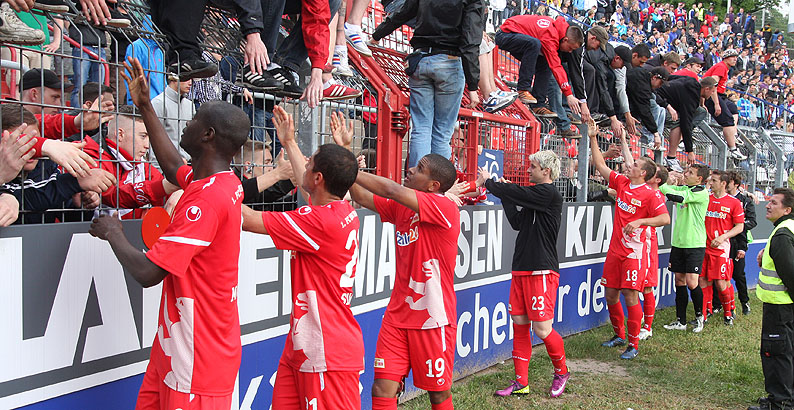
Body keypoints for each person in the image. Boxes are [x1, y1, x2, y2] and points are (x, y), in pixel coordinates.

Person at [89, 57, 250, 409]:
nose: (186, 122)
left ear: (208, 135)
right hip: (176, 349)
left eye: (194, 119)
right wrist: (145, 105)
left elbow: (149, 273)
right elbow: (173, 165)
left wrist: (113, 231)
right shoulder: (216, 180)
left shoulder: (206, 200)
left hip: (197, 359)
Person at [241, 107, 364, 409]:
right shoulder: (339, 209)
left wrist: (211, 185)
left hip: (326, 350)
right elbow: (310, 187)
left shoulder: (318, 221)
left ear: (319, 177)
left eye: (309, 163)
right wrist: (289, 142)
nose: (304, 165)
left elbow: (249, 220)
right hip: (306, 342)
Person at [335, 115, 460, 408]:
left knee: (438, 393)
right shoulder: (403, 208)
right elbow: (362, 197)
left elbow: (390, 189)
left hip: (432, 318)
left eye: (419, 169)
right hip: (397, 316)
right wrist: (345, 152)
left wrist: (347, 167)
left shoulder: (444, 208)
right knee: (381, 388)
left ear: (433, 185)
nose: (410, 169)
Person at [477, 150, 570, 397]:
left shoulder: (548, 193)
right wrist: (505, 194)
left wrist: (490, 183)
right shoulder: (536, 196)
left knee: (542, 329)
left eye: (533, 167)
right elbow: (517, 222)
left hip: (542, 269)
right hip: (521, 268)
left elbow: (519, 193)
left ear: (546, 171)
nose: (528, 170)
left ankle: (562, 372)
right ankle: (521, 383)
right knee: (519, 323)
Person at [588, 123, 670, 360]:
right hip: (615, 250)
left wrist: (641, 221)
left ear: (643, 173)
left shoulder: (651, 194)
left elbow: (664, 218)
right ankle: (619, 335)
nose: (629, 165)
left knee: (630, 294)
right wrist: (593, 138)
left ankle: (633, 344)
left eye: (634, 165)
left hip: (634, 253)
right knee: (610, 294)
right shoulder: (623, 183)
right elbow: (601, 166)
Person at [371, 0, 485, 168]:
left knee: (421, 129)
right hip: (450, 62)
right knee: (442, 133)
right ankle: (437, 182)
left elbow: (403, 13)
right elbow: (470, 42)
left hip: (421, 60)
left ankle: (417, 179)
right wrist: (473, 86)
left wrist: (377, 35)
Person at [82, 105, 179, 218]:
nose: (147, 145)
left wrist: (178, 192)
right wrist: (166, 186)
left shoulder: (141, 163)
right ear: (120, 135)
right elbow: (113, 196)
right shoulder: (91, 156)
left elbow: (163, 195)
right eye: (143, 136)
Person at [749, 188, 794, 410]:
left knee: (777, 353)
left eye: (774, 203)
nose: (767, 205)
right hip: (783, 306)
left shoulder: (783, 234)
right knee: (786, 352)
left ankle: (780, 403)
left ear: (787, 210)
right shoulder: (787, 228)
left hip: (780, 306)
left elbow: (790, 272)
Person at [495, 14, 584, 122]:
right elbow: (556, 67)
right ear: (565, 40)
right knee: (534, 44)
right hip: (504, 35)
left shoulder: (556, 31)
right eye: (570, 48)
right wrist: (568, 94)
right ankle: (523, 89)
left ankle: (538, 105)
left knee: (545, 59)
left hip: (517, 36)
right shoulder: (551, 36)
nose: (570, 52)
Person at [660, 164, 710, 332]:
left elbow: (675, 195)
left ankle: (700, 317)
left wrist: (663, 181)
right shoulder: (685, 188)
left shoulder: (700, 192)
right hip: (679, 243)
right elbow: (669, 189)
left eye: (690, 173)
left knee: (692, 282)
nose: (685, 174)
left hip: (695, 244)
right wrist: (668, 180)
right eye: (686, 171)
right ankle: (681, 321)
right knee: (679, 280)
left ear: (699, 179)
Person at [700, 170, 744, 326]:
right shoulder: (705, 198)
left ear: (723, 184)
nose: (710, 183)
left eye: (714, 181)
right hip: (703, 246)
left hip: (721, 248)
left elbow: (739, 226)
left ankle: (728, 312)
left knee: (720, 282)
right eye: (710, 180)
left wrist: (723, 237)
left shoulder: (734, 202)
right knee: (703, 280)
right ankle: (705, 313)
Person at [655, 76, 717, 172]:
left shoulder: (691, 80)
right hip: (659, 105)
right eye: (712, 91)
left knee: (702, 112)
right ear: (706, 89)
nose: (712, 94)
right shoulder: (691, 98)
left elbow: (670, 77)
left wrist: (701, 103)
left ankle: (683, 136)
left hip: (668, 103)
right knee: (680, 122)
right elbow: (685, 122)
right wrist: (690, 151)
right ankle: (671, 157)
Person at [639, 162, 668, 340]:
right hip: (634, 242)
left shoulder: (656, 195)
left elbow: (662, 218)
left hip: (647, 242)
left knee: (647, 285)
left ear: (657, 179)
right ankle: (639, 318)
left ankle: (647, 327)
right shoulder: (641, 190)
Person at [703, 48, 746, 161]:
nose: (735, 59)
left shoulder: (726, 68)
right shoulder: (721, 67)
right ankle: (733, 149)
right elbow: (712, 84)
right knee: (727, 120)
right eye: (732, 57)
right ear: (726, 58)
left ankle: (733, 134)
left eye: (736, 57)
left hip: (720, 95)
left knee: (733, 109)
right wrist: (716, 104)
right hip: (712, 95)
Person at [725, 171, 756, 316]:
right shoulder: (720, 198)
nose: (726, 184)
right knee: (720, 276)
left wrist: (737, 226)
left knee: (738, 275)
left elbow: (752, 221)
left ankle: (745, 302)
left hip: (738, 242)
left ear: (736, 184)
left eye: (729, 181)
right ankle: (719, 305)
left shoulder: (745, 200)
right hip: (722, 242)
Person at [151, 74, 195, 161]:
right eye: (186, 78)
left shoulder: (190, 105)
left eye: (191, 79)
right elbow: (153, 139)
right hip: (167, 164)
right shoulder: (158, 103)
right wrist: (157, 167)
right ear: (173, 78)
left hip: (189, 163)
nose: (190, 83)